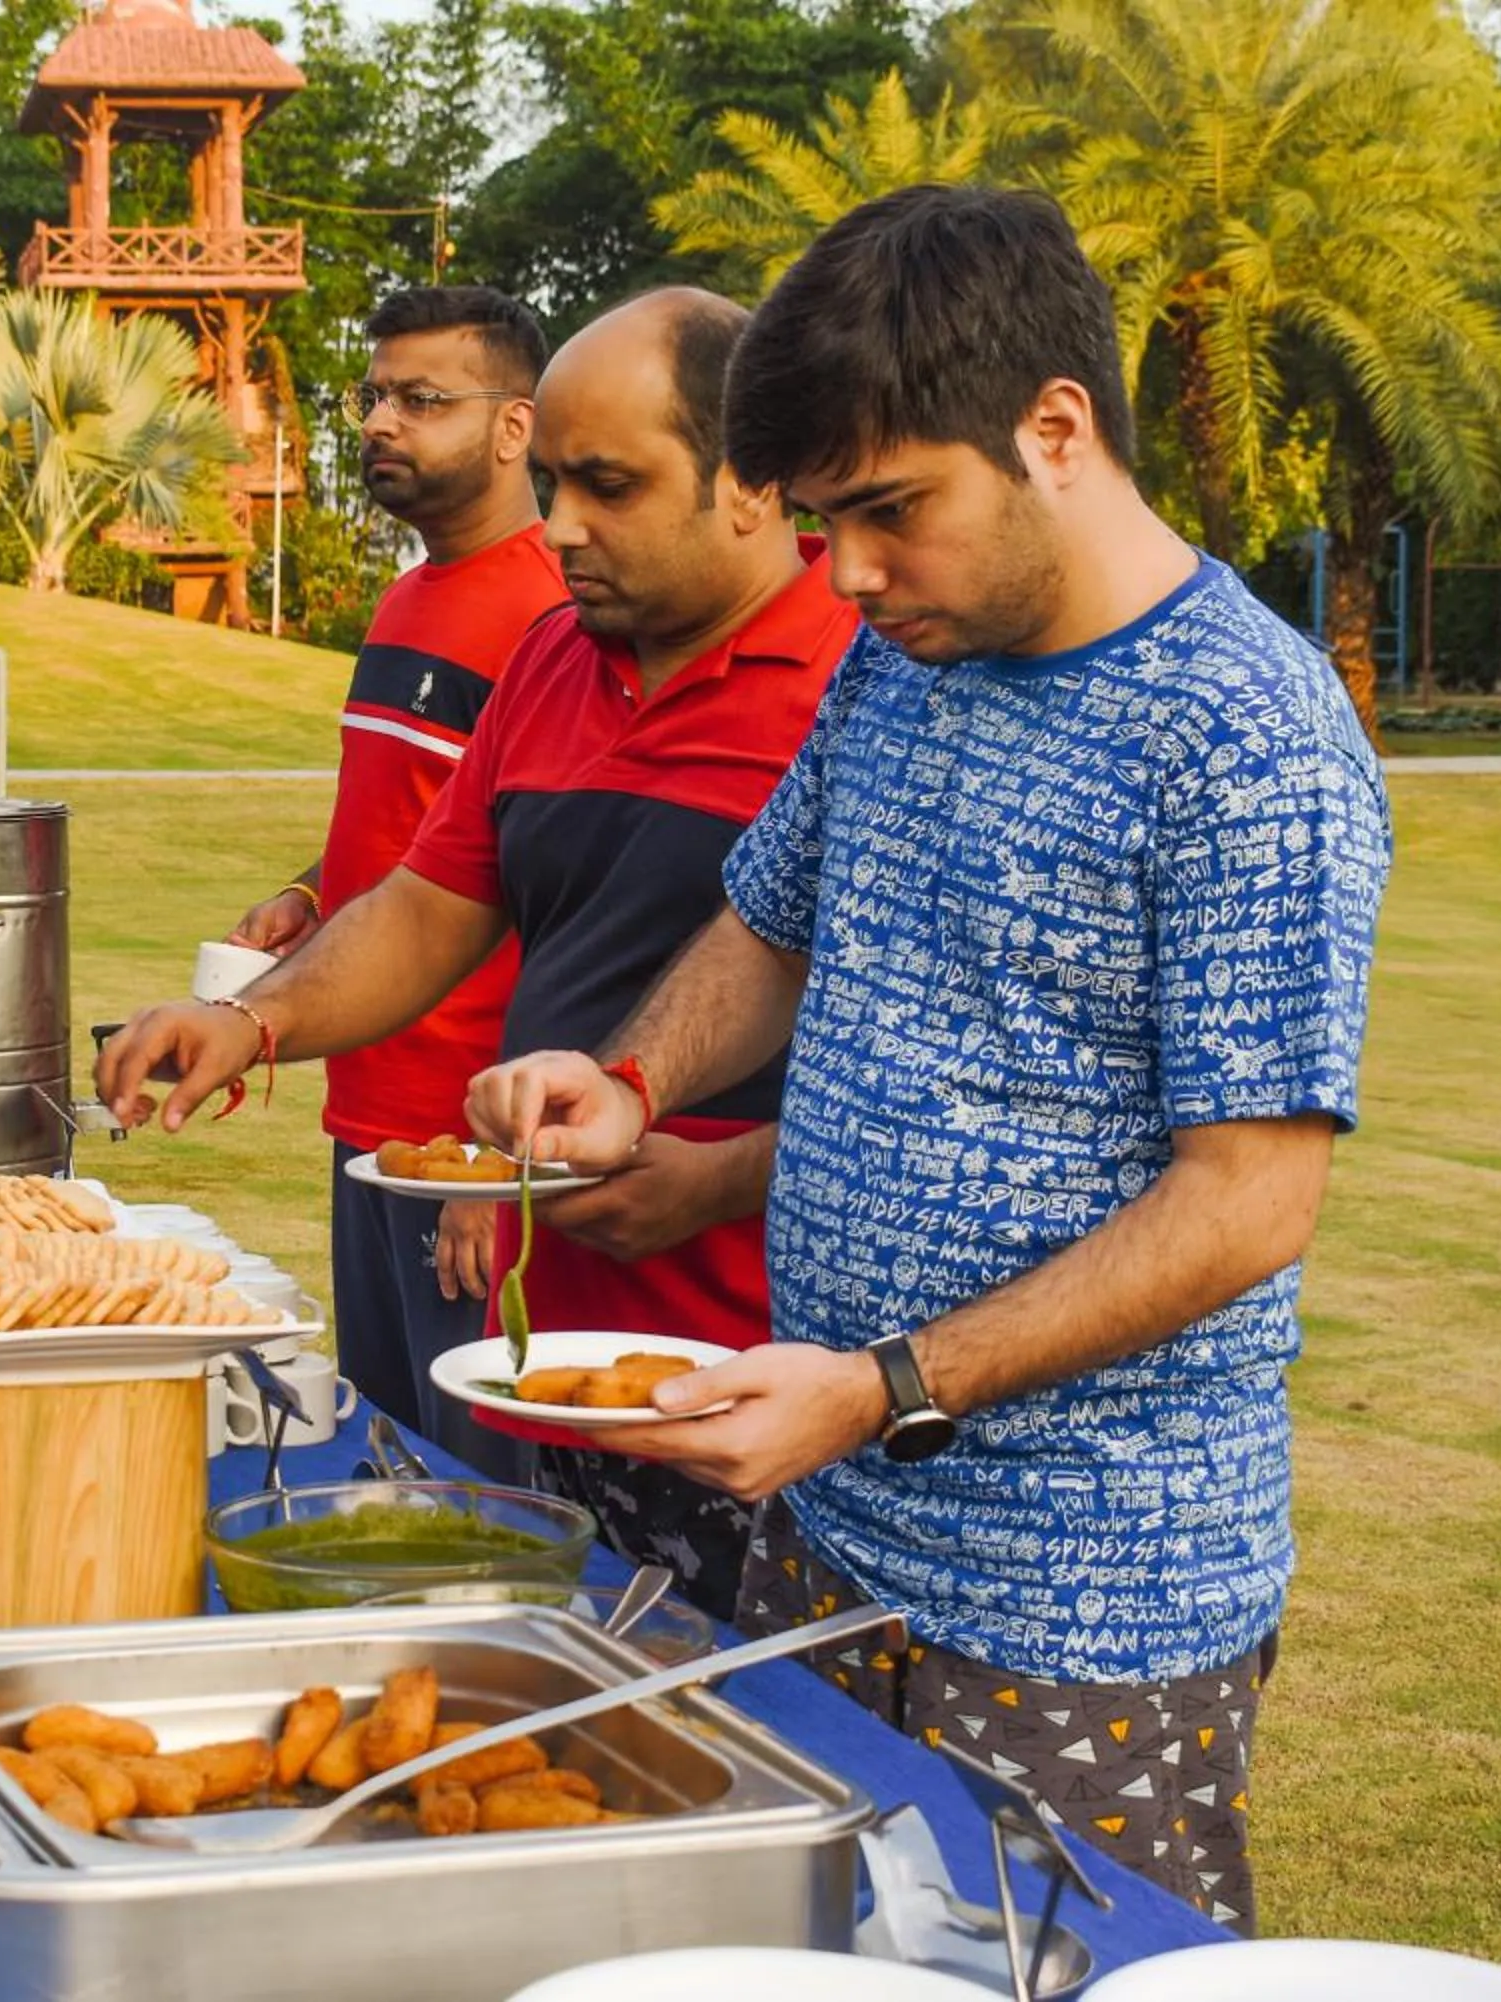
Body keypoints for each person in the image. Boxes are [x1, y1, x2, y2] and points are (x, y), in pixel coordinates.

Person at [464, 185, 1392, 1931]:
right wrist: (631, 1083)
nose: (850, 574)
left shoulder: (1249, 735)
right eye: (826, 522)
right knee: (820, 1950)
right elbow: (773, 925)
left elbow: (1250, 1201)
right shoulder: (905, 660)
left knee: (1060, 1968)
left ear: (1057, 428)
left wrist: (885, 1384)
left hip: (1084, 1600)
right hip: (829, 1522)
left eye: (891, 510)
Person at [100, 288, 889, 1615]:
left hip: (764, 1381)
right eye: (555, 483)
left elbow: (920, 1056)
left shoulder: (862, 684)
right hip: (544, 1347)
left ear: (753, 482)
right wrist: (255, 1019)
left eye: (610, 486)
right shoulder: (552, 657)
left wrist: (718, 1182)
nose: (562, 524)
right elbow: (429, 903)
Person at [221, 286, 567, 1477]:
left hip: (465, 1144)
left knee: (479, 1491)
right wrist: (311, 893)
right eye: (374, 396)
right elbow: (427, 836)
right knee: (390, 1460)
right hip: (367, 1116)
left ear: (515, 427)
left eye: (422, 399)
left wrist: (497, 1162)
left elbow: (562, 899)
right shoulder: (408, 598)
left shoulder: (551, 614)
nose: (380, 422)